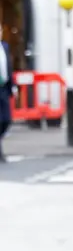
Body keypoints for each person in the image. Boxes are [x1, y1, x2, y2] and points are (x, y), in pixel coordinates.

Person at [0, 26, 14, 162]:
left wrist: (12, 87)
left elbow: (8, 67)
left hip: (3, 87)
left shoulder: (4, 47)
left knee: (6, 120)